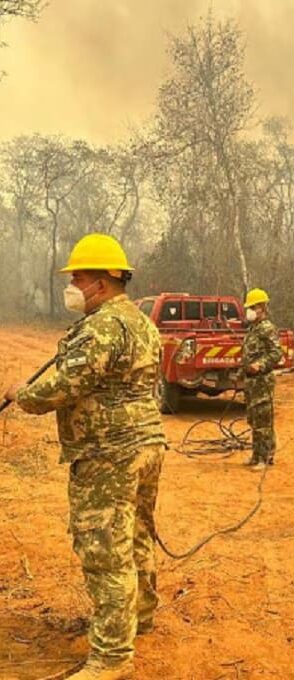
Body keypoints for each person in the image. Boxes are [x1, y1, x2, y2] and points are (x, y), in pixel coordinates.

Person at [4, 233, 167, 680]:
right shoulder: (142, 323)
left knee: (104, 548)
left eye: (78, 278)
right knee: (136, 534)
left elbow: (65, 385)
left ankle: (112, 656)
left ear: (102, 282)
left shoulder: (101, 327)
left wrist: (23, 394)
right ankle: (138, 617)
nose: (72, 285)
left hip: (108, 453)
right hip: (146, 443)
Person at [242, 288, 283, 472]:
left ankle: (265, 458)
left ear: (262, 308)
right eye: (249, 307)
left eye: (253, 307)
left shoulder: (267, 329)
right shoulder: (253, 329)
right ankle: (256, 455)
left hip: (262, 382)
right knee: (254, 420)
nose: (249, 311)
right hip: (251, 382)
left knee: (263, 421)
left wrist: (260, 364)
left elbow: (276, 353)